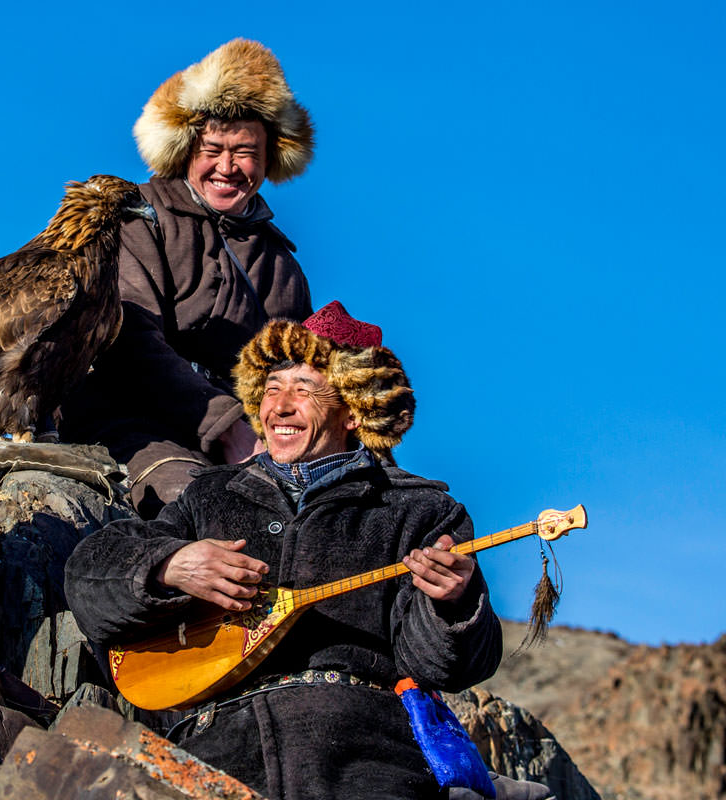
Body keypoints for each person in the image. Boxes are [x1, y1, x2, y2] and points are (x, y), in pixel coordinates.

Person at [64, 304, 504, 799]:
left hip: (364, 764)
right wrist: (169, 565)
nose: (280, 406)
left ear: (354, 411)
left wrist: (453, 604)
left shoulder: (421, 511)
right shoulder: (212, 495)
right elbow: (88, 575)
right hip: (214, 754)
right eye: (272, 389)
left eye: (305, 390)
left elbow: (450, 668)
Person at [58, 39, 314, 518]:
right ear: (185, 149)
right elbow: (127, 341)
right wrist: (226, 424)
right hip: (131, 422)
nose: (228, 168)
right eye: (213, 149)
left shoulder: (282, 264)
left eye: (246, 152)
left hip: (251, 437)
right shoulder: (137, 216)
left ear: (269, 158)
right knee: (202, 510)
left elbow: (300, 376)